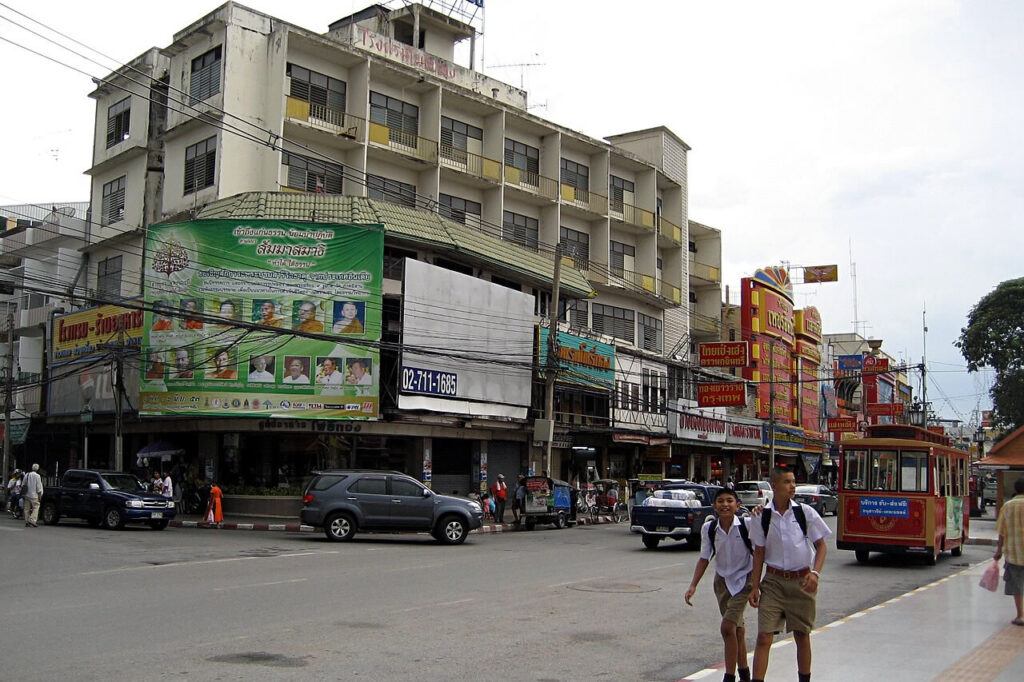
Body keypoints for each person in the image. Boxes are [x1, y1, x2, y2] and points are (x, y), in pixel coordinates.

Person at [747, 467, 831, 682]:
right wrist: (754, 586)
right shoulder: (761, 516)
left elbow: (821, 546)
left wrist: (815, 573)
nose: (792, 486)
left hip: (801, 582)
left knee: (802, 635)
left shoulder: (805, 513)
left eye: (793, 481)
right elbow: (758, 552)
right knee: (764, 636)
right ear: (774, 486)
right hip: (773, 582)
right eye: (787, 482)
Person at [685, 488, 754, 682]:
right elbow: (704, 558)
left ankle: (729, 676)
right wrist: (693, 586)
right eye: (721, 501)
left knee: (727, 628)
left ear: (737, 505)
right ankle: (745, 675)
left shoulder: (748, 525)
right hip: (722, 582)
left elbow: (759, 554)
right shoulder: (710, 528)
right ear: (715, 506)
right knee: (737, 630)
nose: (725, 504)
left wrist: (756, 585)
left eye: (730, 501)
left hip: (744, 581)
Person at [994, 476, 1024, 626]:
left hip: (1014, 553)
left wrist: (999, 550)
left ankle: (1020, 616)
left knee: (1018, 585)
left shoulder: (1007, 506)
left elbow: (1001, 531)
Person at [22, 463, 44, 528]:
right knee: (36, 507)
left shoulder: (27, 474)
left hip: (27, 494)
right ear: (37, 469)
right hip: (34, 495)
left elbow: (23, 484)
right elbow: (39, 487)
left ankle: (27, 521)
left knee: (26, 508)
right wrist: (40, 496)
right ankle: (32, 520)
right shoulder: (37, 476)